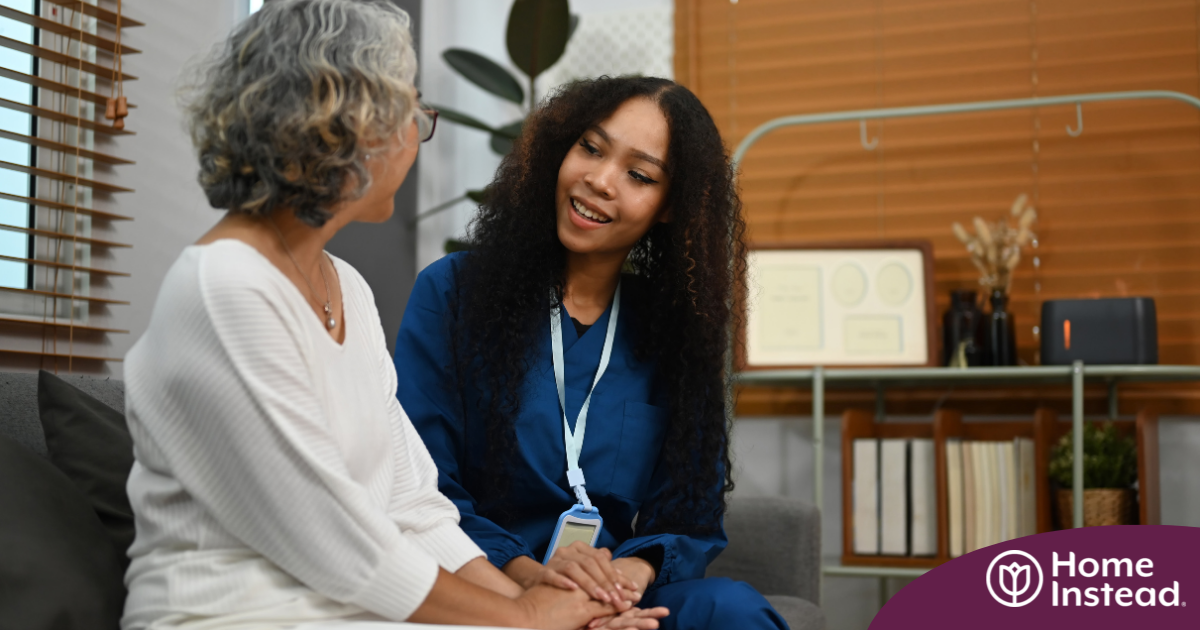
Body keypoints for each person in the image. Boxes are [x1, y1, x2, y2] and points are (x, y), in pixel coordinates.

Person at [121, 2, 661, 628]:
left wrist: (535, 605)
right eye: (412, 111)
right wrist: (527, 621)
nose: (418, 130)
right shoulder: (225, 287)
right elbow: (336, 545)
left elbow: (415, 506)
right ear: (344, 125)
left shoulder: (345, 286)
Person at [394, 76, 789, 630]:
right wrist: (536, 586)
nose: (600, 180)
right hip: (491, 588)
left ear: (669, 206)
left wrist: (626, 578)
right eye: (591, 148)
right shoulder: (453, 294)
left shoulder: (676, 331)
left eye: (639, 174)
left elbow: (689, 508)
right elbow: (421, 482)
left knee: (733, 610)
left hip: (617, 597)